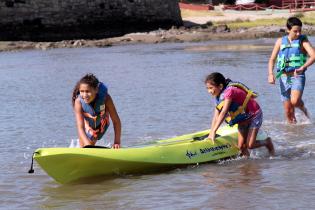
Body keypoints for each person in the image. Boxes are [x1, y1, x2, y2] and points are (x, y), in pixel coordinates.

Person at [205, 72, 275, 157]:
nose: (209, 91)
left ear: (220, 86)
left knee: (250, 145)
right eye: (207, 88)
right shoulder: (218, 95)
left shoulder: (229, 92)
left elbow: (223, 112)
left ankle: (267, 142)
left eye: (211, 88)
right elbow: (216, 116)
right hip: (243, 119)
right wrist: (211, 132)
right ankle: (247, 165)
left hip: (254, 115)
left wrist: (214, 131)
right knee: (241, 146)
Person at [268, 17, 315, 123]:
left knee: (294, 101)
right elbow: (272, 59)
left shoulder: (303, 41)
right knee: (288, 112)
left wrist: (303, 67)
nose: (298, 33)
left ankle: (302, 107)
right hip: (283, 77)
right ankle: (293, 135)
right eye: (295, 31)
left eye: (300, 31)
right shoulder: (280, 41)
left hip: (297, 76)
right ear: (288, 29)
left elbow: (313, 56)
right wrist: (270, 74)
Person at [72, 73, 121, 148]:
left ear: (96, 90)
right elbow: (80, 127)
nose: (84, 95)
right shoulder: (78, 102)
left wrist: (117, 142)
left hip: (102, 122)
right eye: (82, 91)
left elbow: (116, 121)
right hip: (86, 125)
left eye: (88, 91)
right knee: (84, 146)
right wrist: (87, 145)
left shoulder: (106, 99)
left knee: (93, 138)